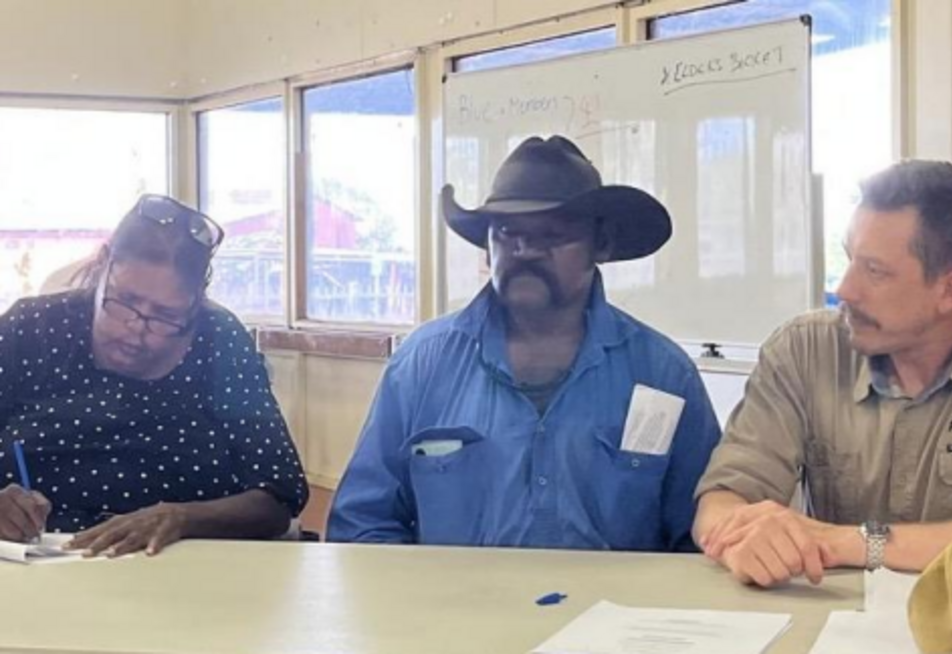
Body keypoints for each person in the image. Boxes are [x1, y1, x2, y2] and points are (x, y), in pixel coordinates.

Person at [327, 135, 720, 551]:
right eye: (506, 232)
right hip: (454, 595)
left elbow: (701, 537)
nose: (526, 250)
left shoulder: (663, 375)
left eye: (553, 234)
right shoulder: (421, 365)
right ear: (486, 249)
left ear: (600, 244)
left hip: (617, 596)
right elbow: (361, 523)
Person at [693, 160, 952, 586]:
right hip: (835, 616)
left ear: (950, 290)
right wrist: (745, 537)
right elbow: (722, 499)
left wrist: (851, 542)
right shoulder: (804, 349)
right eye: (849, 259)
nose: (844, 290)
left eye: (874, 271)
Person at [0, 194, 308, 556]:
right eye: (124, 301)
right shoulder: (30, 328)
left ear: (196, 302)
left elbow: (280, 495)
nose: (136, 330)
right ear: (103, 264)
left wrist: (182, 518)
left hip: (180, 564)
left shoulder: (219, 341)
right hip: (37, 560)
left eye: (166, 316)